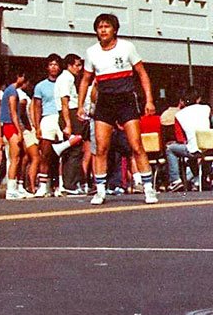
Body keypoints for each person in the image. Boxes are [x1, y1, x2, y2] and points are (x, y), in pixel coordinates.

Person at [78, 13, 157, 205]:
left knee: (136, 145)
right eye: (100, 27)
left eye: (107, 26)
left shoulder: (127, 47)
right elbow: (86, 80)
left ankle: (148, 189)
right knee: (101, 148)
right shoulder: (92, 52)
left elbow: (142, 74)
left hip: (126, 100)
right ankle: (100, 191)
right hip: (104, 102)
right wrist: (82, 105)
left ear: (114, 29)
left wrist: (149, 100)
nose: (103, 30)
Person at [53, 54, 87, 194]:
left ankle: (69, 183)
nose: (79, 68)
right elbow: (64, 102)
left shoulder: (67, 78)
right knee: (75, 151)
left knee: (71, 150)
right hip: (70, 114)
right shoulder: (66, 78)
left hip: (69, 114)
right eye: (77, 65)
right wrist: (68, 124)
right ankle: (70, 185)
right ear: (69, 65)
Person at [31, 55, 64, 196]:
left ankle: (60, 186)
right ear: (47, 67)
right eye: (51, 65)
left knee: (63, 154)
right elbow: (37, 107)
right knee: (45, 153)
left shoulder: (64, 83)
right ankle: (43, 186)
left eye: (56, 65)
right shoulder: (40, 86)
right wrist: (37, 126)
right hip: (47, 119)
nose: (54, 67)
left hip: (62, 118)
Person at [166, 89, 210, 190]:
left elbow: (180, 139)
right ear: (198, 99)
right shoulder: (206, 108)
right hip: (209, 147)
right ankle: (199, 180)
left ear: (182, 101)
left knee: (170, 149)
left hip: (193, 149)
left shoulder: (178, 115)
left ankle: (175, 180)